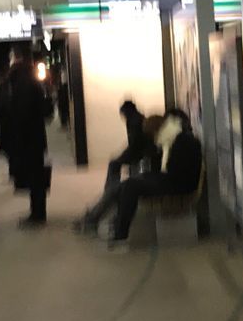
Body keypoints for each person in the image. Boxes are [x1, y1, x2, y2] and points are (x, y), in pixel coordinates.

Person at [82, 110, 203, 246]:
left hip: (180, 185)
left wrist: (157, 167)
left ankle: (119, 230)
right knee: (126, 184)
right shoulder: (170, 140)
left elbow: (176, 171)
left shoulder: (183, 142)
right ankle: (101, 220)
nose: (154, 139)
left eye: (153, 135)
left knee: (131, 186)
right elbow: (163, 168)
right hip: (172, 180)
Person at [0, 44, 51, 227]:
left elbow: (13, 111)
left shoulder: (16, 81)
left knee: (33, 177)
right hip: (34, 137)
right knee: (36, 176)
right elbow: (45, 110)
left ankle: (37, 214)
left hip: (23, 138)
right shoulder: (33, 79)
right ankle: (37, 211)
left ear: (15, 57)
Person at [108, 101, 150, 189]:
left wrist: (123, 155)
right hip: (140, 150)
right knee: (117, 162)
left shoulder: (134, 121)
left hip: (139, 151)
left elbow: (135, 143)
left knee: (114, 164)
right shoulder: (138, 118)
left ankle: (112, 189)